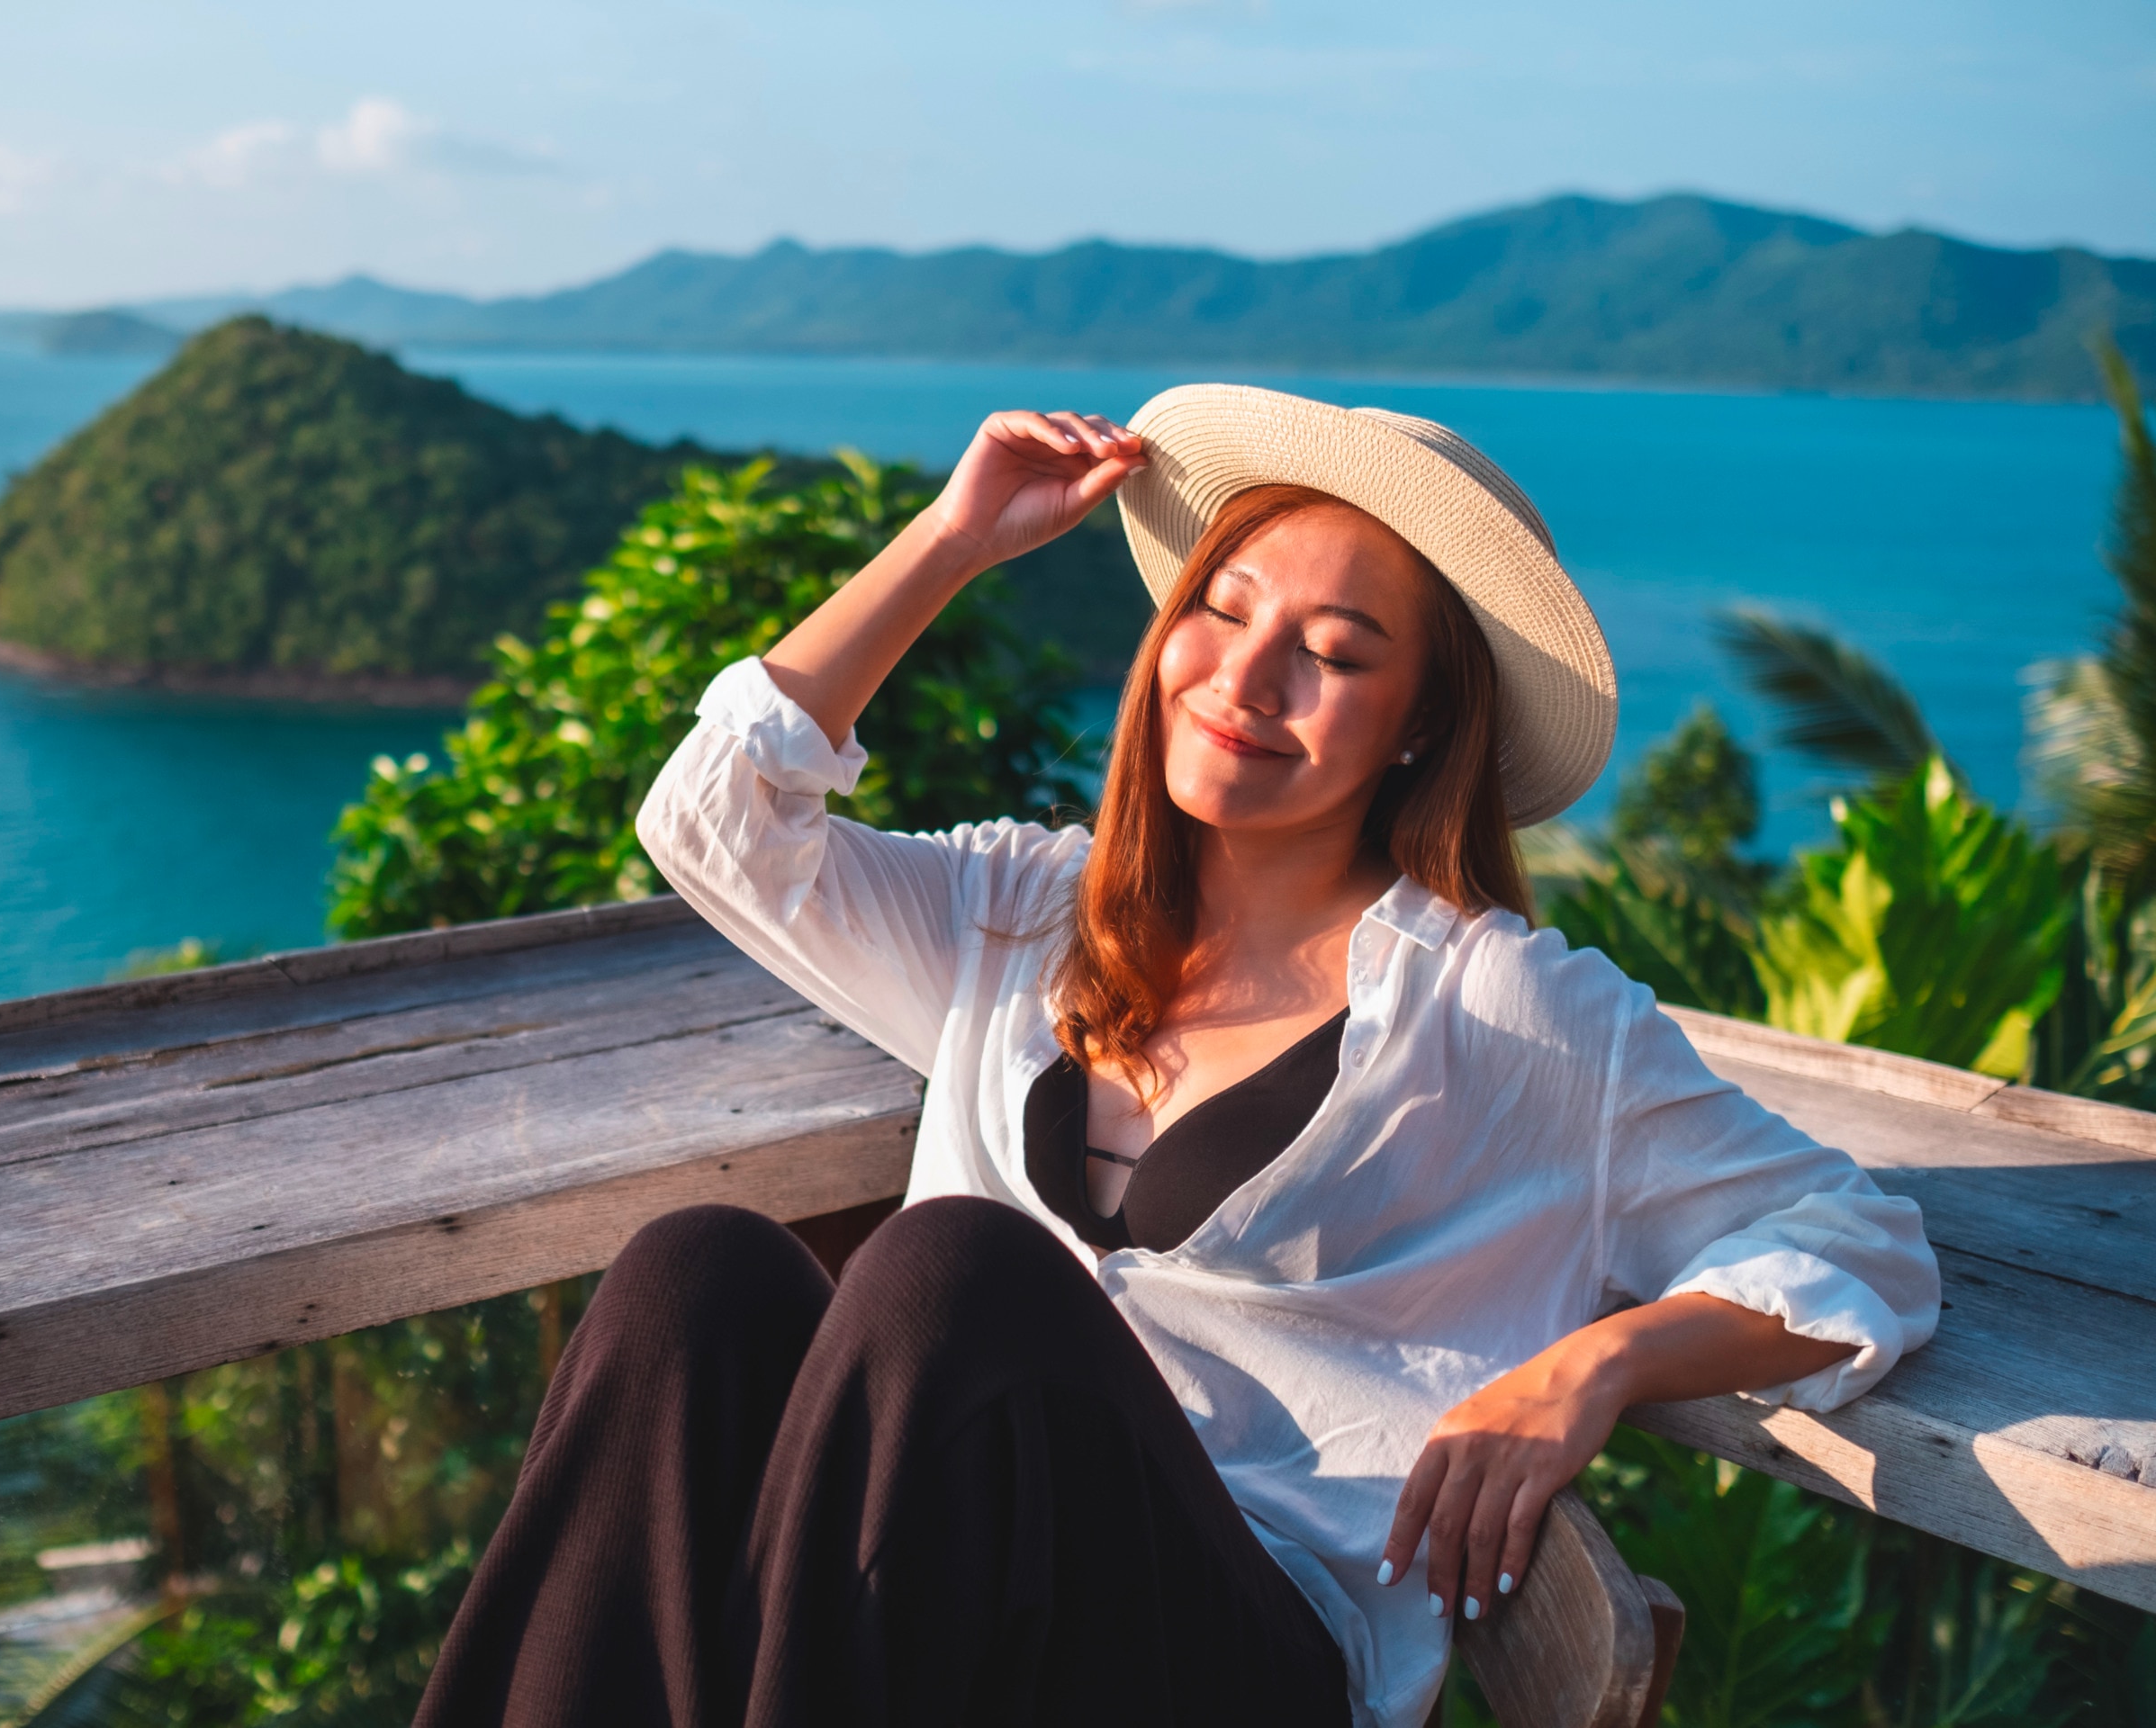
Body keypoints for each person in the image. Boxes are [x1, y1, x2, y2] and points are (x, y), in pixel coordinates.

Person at [410, 385, 1942, 1728]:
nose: (1246, 679)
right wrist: (949, 542)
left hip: (1239, 1650)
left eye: (1334, 654)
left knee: (954, 1276)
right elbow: (717, 825)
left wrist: (1598, 1366)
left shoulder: (1513, 1017)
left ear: (1418, 729)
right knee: (699, 1278)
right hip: (949, 1614)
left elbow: (1857, 1239)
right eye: (1223, 610)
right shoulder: (1023, 914)